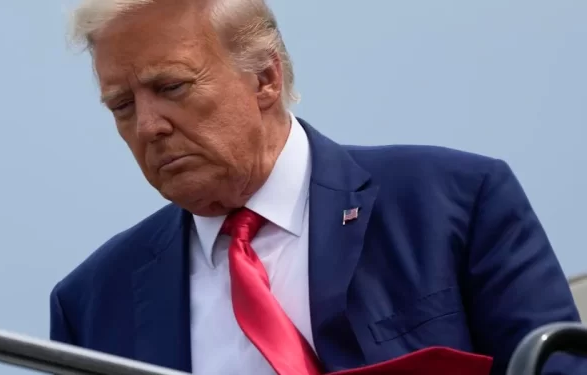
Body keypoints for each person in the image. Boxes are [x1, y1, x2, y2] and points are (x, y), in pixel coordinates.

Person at [49, 0, 584, 374]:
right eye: (122, 105)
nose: (148, 126)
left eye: (171, 87)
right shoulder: (91, 304)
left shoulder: (455, 203)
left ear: (265, 78)